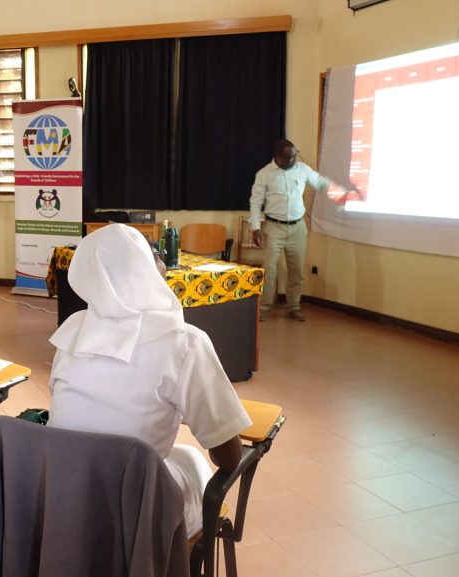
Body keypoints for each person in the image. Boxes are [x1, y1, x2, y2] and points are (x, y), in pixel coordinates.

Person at [46, 223, 252, 537]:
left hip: (62, 496)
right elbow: (228, 454)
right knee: (193, 460)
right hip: (134, 510)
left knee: (179, 457)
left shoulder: (71, 333)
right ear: (144, 267)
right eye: (152, 253)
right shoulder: (184, 342)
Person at [249, 139, 357, 321]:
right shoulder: (264, 174)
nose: (293, 160)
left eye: (294, 156)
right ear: (278, 157)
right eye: (288, 158)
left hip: (297, 228)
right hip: (273, 227)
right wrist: (256, 228)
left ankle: (293, 307)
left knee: (296, 271)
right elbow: (256, 202)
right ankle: (264, 309)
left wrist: (339, 192)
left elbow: (321, 182)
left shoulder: (302, 169)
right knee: (270, 271)